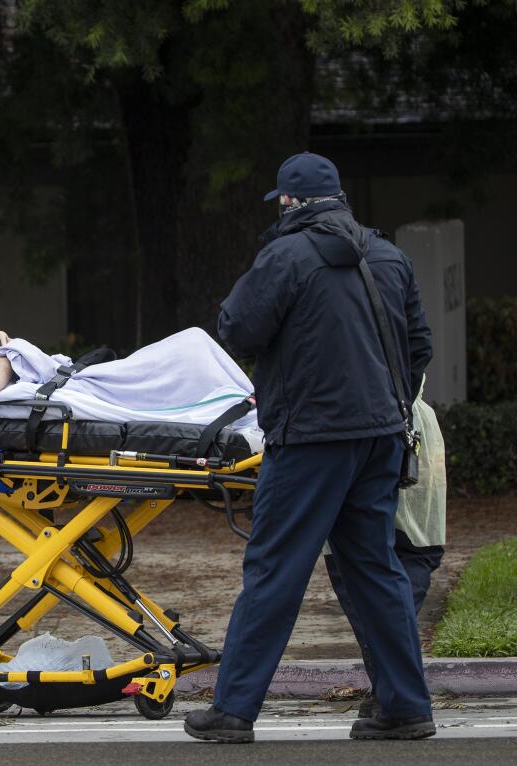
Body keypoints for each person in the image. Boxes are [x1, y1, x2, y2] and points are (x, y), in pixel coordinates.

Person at [184, 152, 435, 743]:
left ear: (290, 202)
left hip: (311, 441)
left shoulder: (285, 255)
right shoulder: (389, 255)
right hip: (380, 439)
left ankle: (234, 710)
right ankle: (405, 707)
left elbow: (237, 328)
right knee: (375, 568)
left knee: (276, 568)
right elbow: (418, 345)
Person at [326, 376, 446, 719]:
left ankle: (392, 694)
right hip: (398, 435)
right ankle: (392, 693)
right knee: (390, 583)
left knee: (370, 589)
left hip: (362, 437)